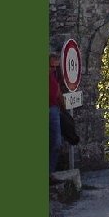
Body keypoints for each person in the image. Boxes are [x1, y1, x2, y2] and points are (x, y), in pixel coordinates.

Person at [49, 53, 64, 181]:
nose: (55, 65)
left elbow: (58, 91)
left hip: (54, 109)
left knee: (57, 142)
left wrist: (62, 107)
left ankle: (50, 172)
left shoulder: (55, 74)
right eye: (53, 62)